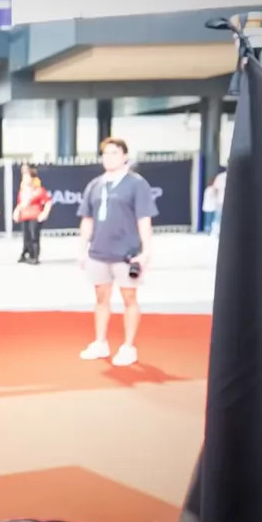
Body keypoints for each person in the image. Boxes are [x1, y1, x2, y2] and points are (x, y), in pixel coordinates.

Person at [75, 138, 158, 366]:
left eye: (114, 153)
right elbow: (87, 220)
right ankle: (100, 342)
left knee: (129, 298)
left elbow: (144, 219)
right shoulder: (95, 185)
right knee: (101, 298)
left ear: (124, 157)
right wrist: (82, 249)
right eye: (105, 153)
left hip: (127, 255)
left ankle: (129, 346)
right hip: (99, 254)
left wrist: (146, 251)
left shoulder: (136, 184)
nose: (109, 157)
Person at [14, 164, 53, 264]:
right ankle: (28, 254)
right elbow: (20, 204)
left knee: (34, 236)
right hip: (24, 216)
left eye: (27, 178)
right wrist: (16, 212)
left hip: (35, 216)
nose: (25, 180)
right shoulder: (22, 191)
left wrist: (44, 213)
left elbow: (48, 201)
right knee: (26, 236)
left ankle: (35, 256)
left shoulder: (39, 190)